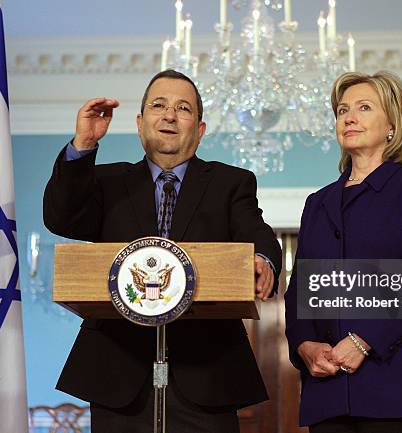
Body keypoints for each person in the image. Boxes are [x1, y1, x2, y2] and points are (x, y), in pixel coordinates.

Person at [43, 69, 282, 433]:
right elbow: (61, 218)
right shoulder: (107, 182)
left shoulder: (230, 183)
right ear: (140, 123)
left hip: (208, 376)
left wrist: (264, 260)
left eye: (183, 108)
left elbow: (257, 232)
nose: (169, 115)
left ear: (199, 130)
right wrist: (84, 145)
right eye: (159, 105)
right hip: (118, 378)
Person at [284, 71, 402, 433]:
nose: (349, 117)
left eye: (363, 107)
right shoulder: (318, 202)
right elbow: (300, 289)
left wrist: (363, 340)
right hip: (329, 393)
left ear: (393, 123)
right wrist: (304, 345)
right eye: (342, 110)